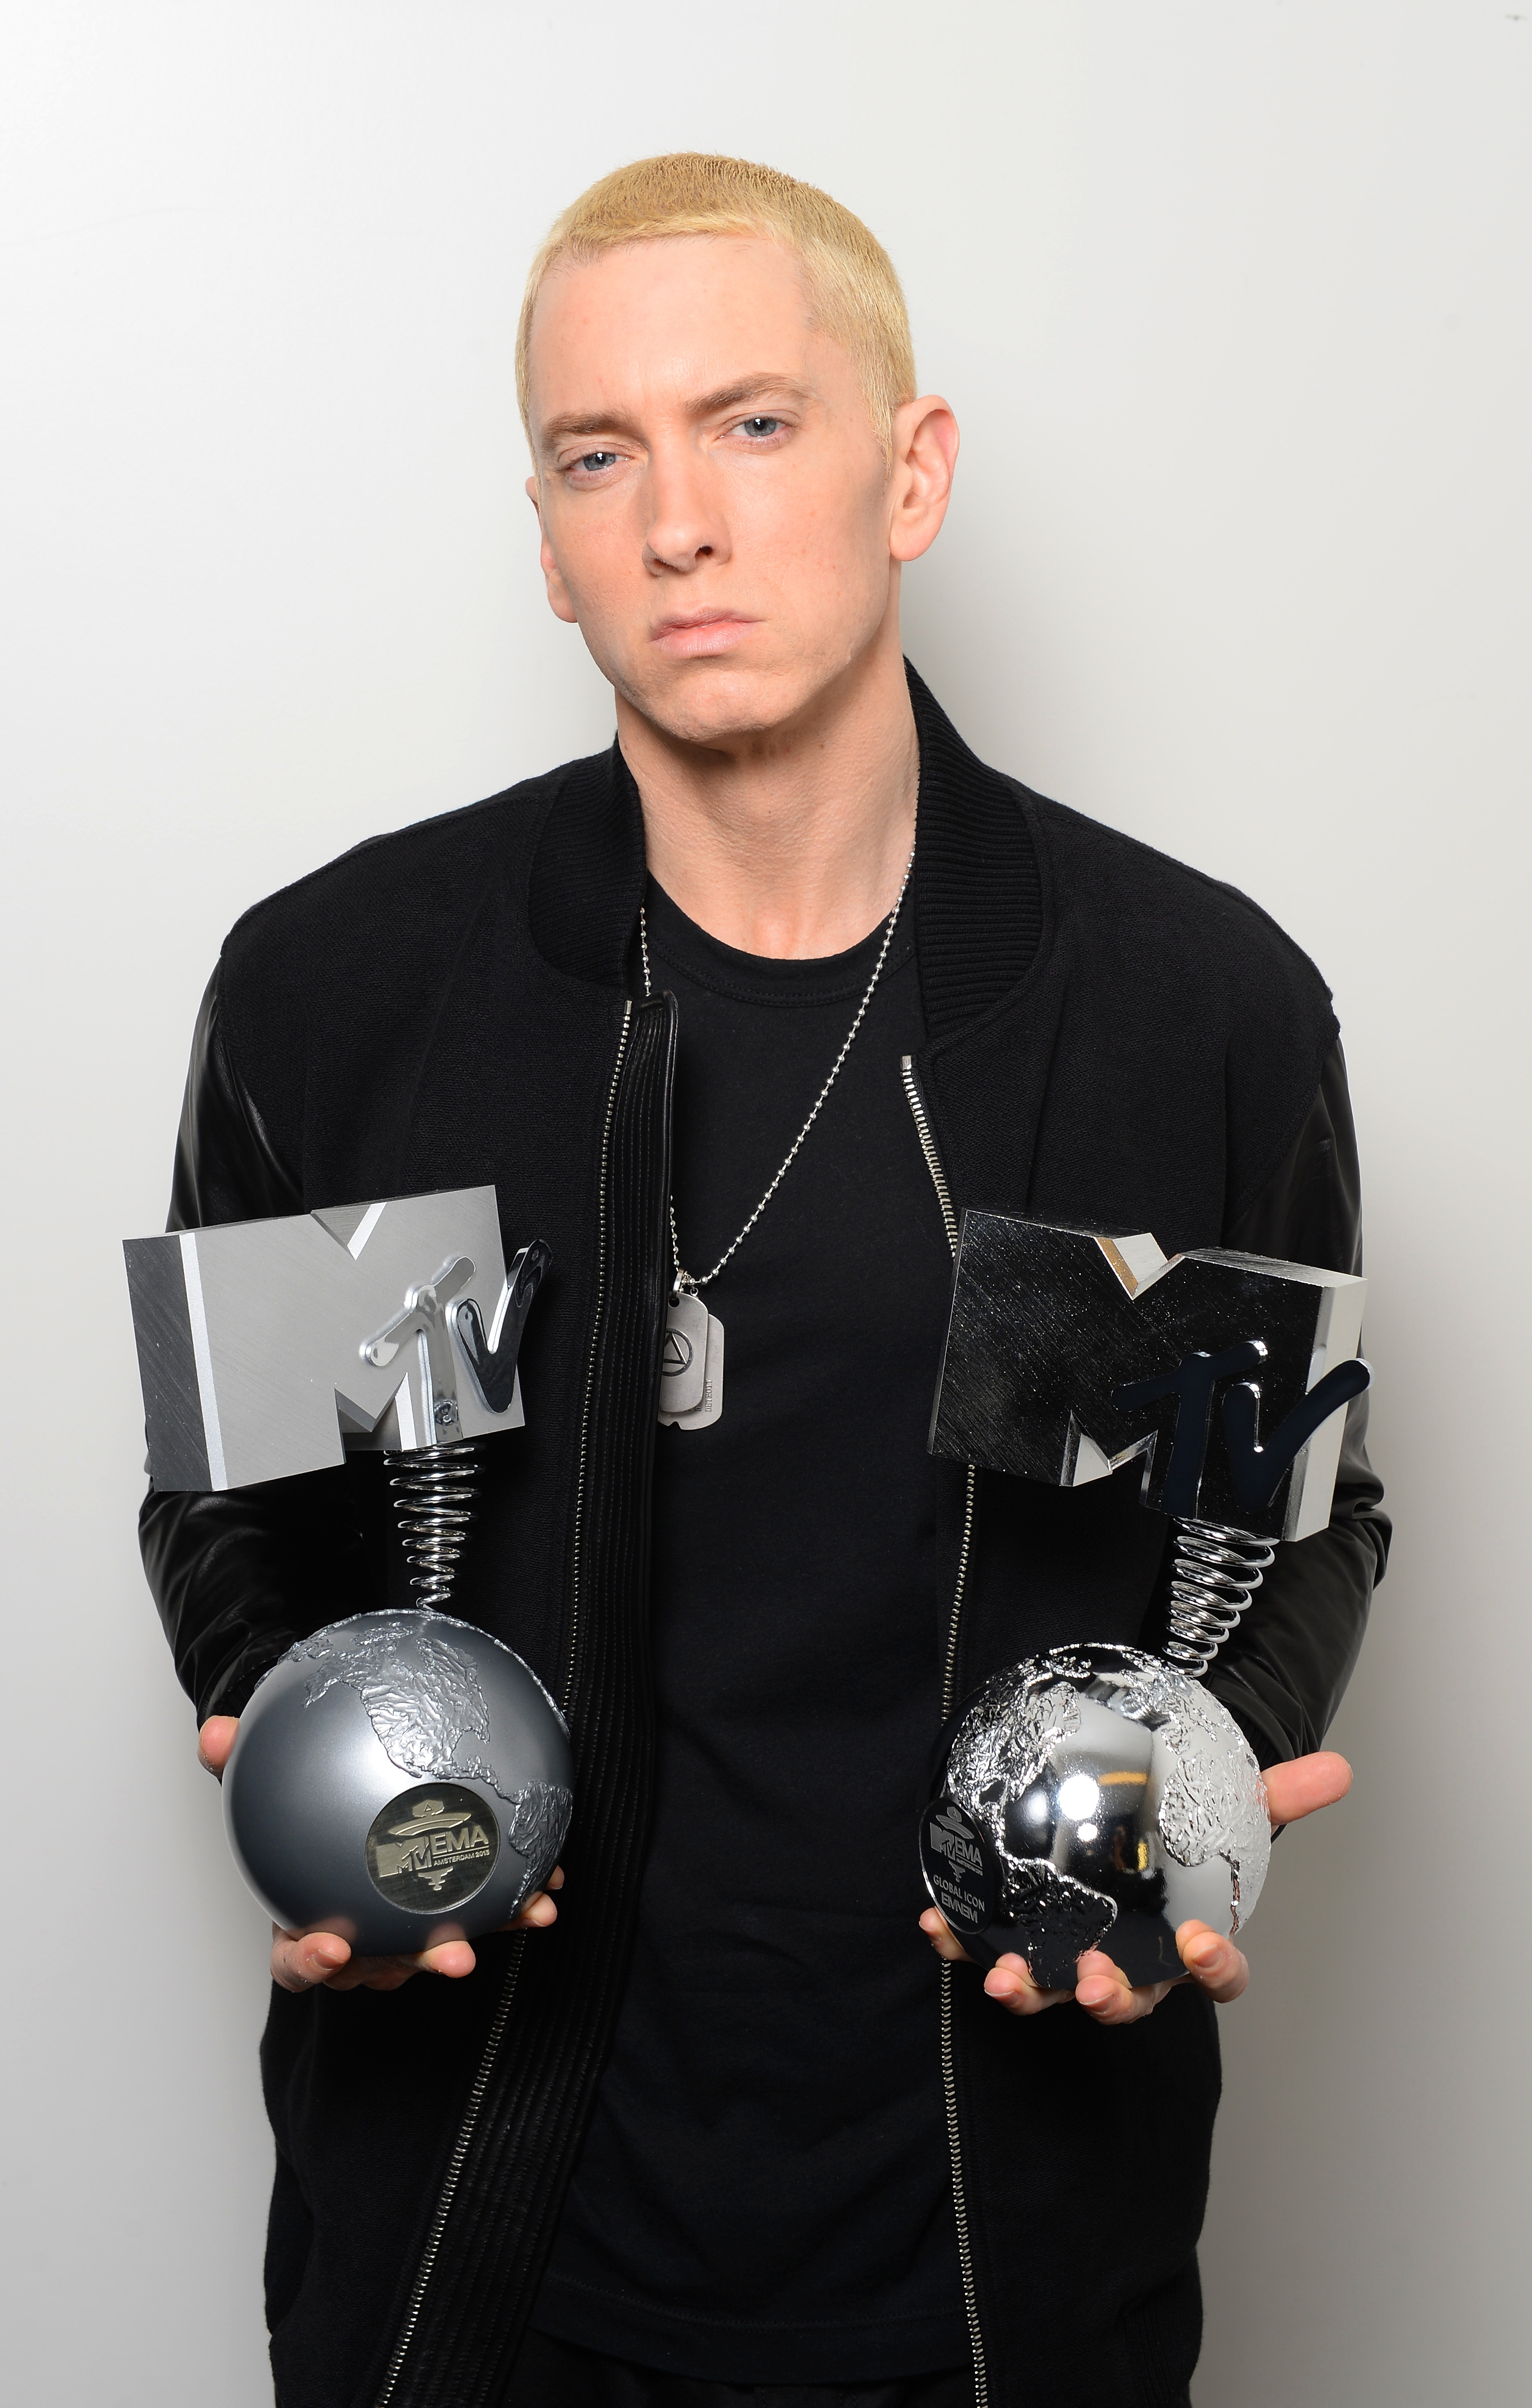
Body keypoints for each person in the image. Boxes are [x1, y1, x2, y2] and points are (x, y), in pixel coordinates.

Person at [142, 154, 1388, 2408]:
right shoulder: (356, 994)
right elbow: (247, 1517)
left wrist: (1224, 1759)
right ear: (542, 533)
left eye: (753, 422)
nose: (677, 522)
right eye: (596, 454)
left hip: (1000, 2260)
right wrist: (290, 1748)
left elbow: (1274, 1526)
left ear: (910, 472)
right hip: (473, 2261)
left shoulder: (1178, 1010)